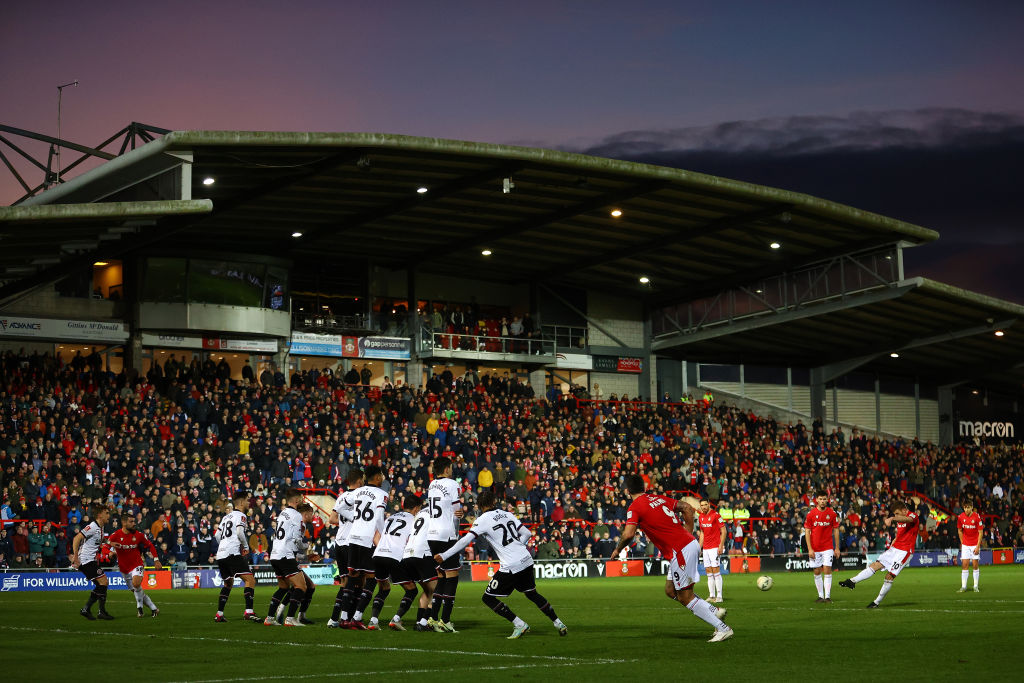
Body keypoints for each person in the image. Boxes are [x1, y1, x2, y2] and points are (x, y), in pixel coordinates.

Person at [609, 475, 733, 642]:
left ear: (627, 490)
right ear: (644, 487)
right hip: (685, 547)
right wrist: (687, 534)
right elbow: (687, 507)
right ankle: (713, 610)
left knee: (685, 597)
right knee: (670, 590)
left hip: (681, 550)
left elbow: (629, 533)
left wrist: (618, 549)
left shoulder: (635, 507)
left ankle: (722, 628)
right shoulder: (657, 498)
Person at [435, 490, 567, 639]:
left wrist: (444, 555)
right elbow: (527, 534)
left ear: (480, 505)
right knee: (532, 594)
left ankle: (519, 624)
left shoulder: (483, 520)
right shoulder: (507, 514)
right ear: (493, 502)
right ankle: (558, 623)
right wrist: (518, 547)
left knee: (488, 598)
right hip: (526, 559)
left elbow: (465, 541)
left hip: (511, 565)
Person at [839, 499, 920, 608]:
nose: (896, 516)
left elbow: (908, 519)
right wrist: (893, 543)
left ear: (904, 510)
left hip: (904, 552)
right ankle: (852, 581)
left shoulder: (913, 516)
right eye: (894, 514)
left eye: (897, 513)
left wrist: (892, 518)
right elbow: (899, 535)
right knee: (874, 565)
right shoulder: (900, 520)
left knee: (889, 576)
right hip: (894, 549)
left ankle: (876, 602)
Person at [342, 465, 389, 629]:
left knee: (352, 577)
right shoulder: (382, 494)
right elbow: (378, 519)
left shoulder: (357, 492)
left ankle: (344, 618)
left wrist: (357, 520)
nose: (383, 477)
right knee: (371, 579)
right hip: (368, 539)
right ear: (377, 477)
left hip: (353, 538)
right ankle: (357, 616)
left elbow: (342, 508)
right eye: (382, 475)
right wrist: (384, 540)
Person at [265, 490, 317, 626]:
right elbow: (297, 540)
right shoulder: (296, 516)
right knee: (301, 586)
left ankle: (269, 618)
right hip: (285, 555)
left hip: (275, 554)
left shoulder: (282, 513)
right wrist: (306, 546)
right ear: (297, 501)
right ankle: (290, 618)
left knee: (283, 588)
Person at [426, 456, 465, 633]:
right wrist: (460, 516)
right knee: (452, 575)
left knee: (441, 576)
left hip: (431, 534)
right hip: (446, 534)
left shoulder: (432, 485)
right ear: (447, 469)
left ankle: (433, 618)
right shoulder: (451, 484)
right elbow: (457, 511)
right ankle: (446, 620)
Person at [371, 495, 420, 630]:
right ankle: (396, 619)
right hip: (395, 556)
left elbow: (377, 537)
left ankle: (373, 621)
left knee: (384, 588)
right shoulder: (415, 520)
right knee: (412, 590)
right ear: (416, 508)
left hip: (378, 554)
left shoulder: (391, 517)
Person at [214, 491, 260, 622]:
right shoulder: (241, 516)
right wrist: (245, 547)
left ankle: (219, 614)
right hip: (232, 552)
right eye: (247, 500)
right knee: (250, 580)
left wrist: (223, 545)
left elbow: (217, 536)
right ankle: (249, 612)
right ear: (241, 502)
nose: (248, 503)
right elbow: (240, 532)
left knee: (228, 583)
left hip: (221, 554)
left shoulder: (226, 517)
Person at [327, 469, 364, 628]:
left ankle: (334, 618)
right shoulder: (359, 496)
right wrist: (355, 520)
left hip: (339, 541)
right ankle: (349, 616)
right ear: (360, 481)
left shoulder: (341, 497)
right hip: (351, 542)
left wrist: (344, 522)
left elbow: (332, 518)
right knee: (358, 581)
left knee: (344, 581)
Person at [106, 514, 163, 618]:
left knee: (136, 584)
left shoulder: (138, 535)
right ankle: (154, 608)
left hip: (137, 564)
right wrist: (109, 554)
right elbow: (105, 545)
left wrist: (156, 559)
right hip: (124, 568)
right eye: (131, 522)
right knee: (137, 590)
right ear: (124, 523)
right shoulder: (116, 535)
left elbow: (150, 545)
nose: (134, 523)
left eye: (134, 521)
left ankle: (139, 609)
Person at [399, 497, 439, 631]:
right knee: (437, 590)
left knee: (427, 590)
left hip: (407, 555)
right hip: (421, 553)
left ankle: (419, 621)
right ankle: (424, 622)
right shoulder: (435, 513)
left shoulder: (419, 514)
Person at [72, 504, 114, 620]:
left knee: (100, 585)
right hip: (85, 560)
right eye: (106, 513)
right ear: (100, 515)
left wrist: (108, 547)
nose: (108, 516)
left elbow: (96, 543)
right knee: (104, 582)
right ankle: (95, 610)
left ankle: (91, 610)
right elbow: (76, 538)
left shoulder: (100, 527)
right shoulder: (92, 526)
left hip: (91, 560)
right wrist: (75, 557)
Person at [803, 490, 840, 603]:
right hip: (815, 548)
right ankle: (820, 596)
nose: (823, 501)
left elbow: (836, 530)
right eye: (821, 499)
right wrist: (809, 549)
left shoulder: (832, 513)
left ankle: (827, 597)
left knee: (827, 569)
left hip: (827, 547)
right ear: (817, 500)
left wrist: (837, 547)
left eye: (824, 499)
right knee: (817, 571)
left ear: (827, 500)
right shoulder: (811, 514)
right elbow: (807, 532)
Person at [697, 499, 726, 603]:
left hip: (714, 547)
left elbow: (723, 531)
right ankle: (712, 595)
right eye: (702, 505)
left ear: (709, 504)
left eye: (705, 505)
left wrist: (721, 546)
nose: (704, 507)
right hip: (706, 548)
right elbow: (702, 533)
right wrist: (699, 548)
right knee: (708, 572)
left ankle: (719, 596)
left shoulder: (716, 515)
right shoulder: (700, 517)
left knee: (716, 571)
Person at [956, 499, 982, 592]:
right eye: (965, 508)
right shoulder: (960, 517)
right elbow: (959, 530)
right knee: (964, 564)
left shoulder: (977, 517)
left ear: (972, 507)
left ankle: (975, 586)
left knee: (975, 565)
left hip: (975, 544)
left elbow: (980, 532)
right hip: (966, 545)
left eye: (968, 507)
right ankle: (964, 586)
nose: (966, 509)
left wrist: (978, 546)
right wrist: (963, 542)